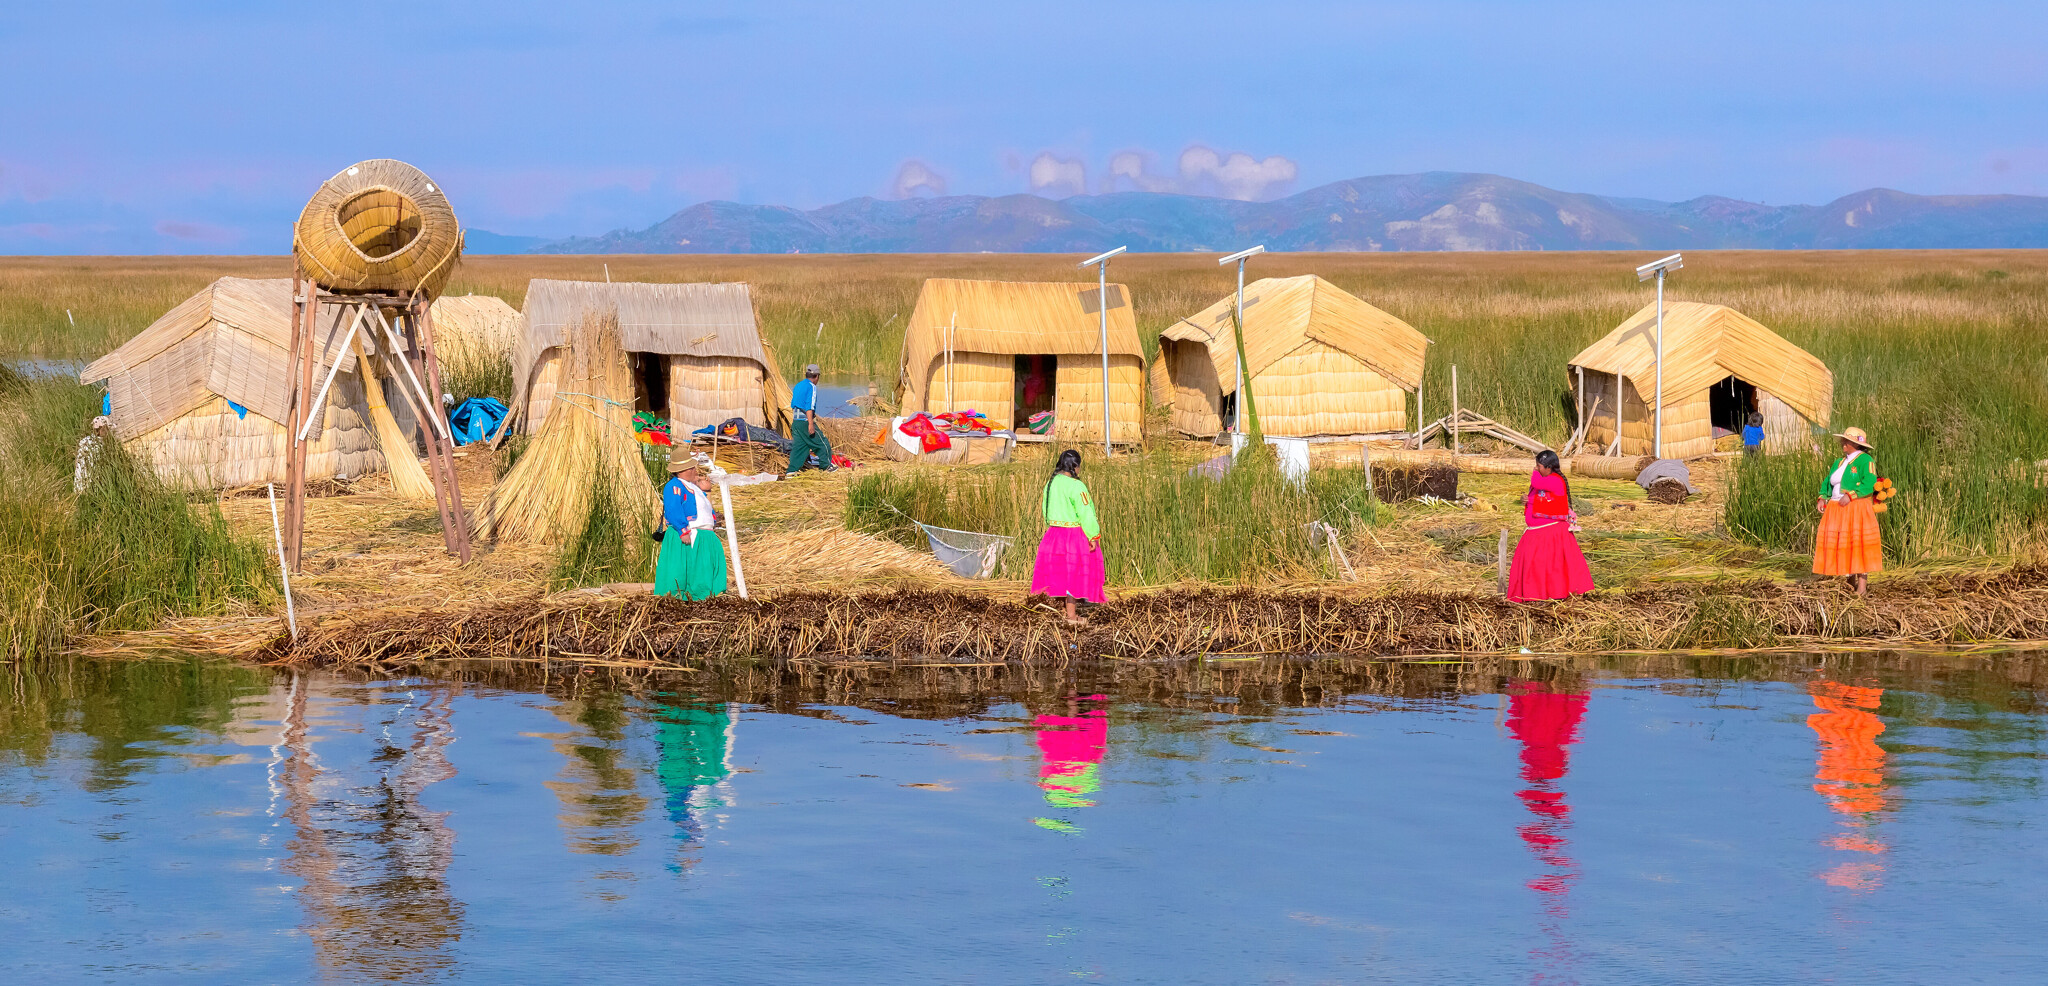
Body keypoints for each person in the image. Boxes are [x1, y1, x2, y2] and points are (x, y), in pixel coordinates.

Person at [1506, 449, 1595, 602]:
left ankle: (1549, 594)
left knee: (1549, 567)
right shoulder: (1545, 478)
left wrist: (1534, 473)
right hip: (1538, 531)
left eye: (1539, 466)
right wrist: (1527, 500)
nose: (1537, 469)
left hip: (1549, 532)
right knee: (1536, 567)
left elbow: (1537, 483)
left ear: (1549, 467)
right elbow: (1540, 497)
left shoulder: (1555, 480)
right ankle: (1534, 594)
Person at [1029, 449, 1105, 623]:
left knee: (1058, 573)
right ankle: (1071, 616)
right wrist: (1093, 535)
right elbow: (1085, 512)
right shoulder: (1077, 486)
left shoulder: (1050, 483)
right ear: (1075, 467)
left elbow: (1045, 510)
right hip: (1073, 536)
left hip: (1053, 534)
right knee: (1073, 574)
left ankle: (1057, 611)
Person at [1814, 426, 1881, 596]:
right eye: (1844, 440)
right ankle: (1849, 582)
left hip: (1856, 508)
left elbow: (1870, 482)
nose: (1843, 443)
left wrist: (1852, 495)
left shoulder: (1866, 460)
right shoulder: (1839, 462)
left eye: (1847, 441)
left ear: (1856, 444)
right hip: (1837, 508)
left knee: (1858, 544)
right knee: (1843, 544)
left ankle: (1862, 587)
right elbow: (1829, 481)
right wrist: (1823, 497)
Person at [655, 456, 728, 600]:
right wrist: (683, 531)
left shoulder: (694, 487)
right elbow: (673, 509)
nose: (694, 470)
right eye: (691, 468)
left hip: (704, 535)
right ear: (681, 471)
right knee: (681, 569)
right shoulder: (674, 486)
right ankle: (679, 597)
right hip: (688, 533)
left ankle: (709, 596)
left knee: (705, 568)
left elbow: (705, 507)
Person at [786, 363, 836, 475]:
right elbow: (809, 406)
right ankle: (826, 466)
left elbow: (794, 404)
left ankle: (791, 471)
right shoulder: (811, 387)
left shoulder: (798, 385)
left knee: (800, 447)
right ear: (817, 376)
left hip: (796, 422)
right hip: (804, 421)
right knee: (823, 443)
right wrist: (810, 424)